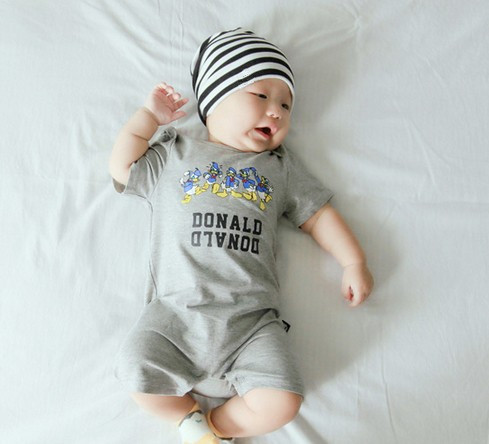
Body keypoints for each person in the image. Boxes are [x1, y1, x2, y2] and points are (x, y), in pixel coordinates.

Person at [109, 28, 373, 443]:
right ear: (215, 100)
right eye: (261, 95)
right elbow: (123, 167)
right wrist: (149, 117)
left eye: (285, 105)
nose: (277, 112)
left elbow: (318, 215)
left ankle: (215, 429)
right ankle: (189, 421)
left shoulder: (279, 167)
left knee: (283, 401)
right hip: (176, 315)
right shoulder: (175, 153)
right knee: (135, 370)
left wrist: (352, 260)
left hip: (251, 324)